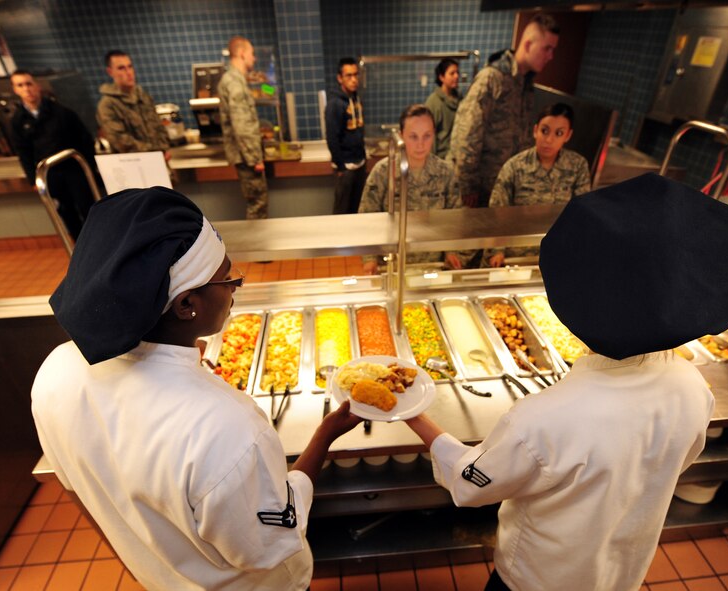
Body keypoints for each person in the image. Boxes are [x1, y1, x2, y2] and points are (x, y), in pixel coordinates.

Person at [404, 173, 728, 591]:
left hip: (536, 579)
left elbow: (469, 483)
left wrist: (413, 415)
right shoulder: (693, 388)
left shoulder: (542, 420)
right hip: (621, 571)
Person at [31, 186, 362, 590]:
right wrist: (324, 435)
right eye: (227, 278)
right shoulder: (230, 429)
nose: (235, 287)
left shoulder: (53, 372)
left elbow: (81, 491)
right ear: (187, 305)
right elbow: (272, 542)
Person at [449, 13, 560, 208]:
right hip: (481, 189)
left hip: (505, 188)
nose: (551, 57)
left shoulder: (525, 85)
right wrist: (468, 186)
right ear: (527, 45)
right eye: (547, 49)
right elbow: (466, 134)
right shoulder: (493, 78)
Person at [358, 104, 468, 274]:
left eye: (427, 136)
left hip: (434, 268)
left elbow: (454, 219)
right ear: (401, 136)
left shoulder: (445, 172)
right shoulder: (382, 173)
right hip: (392, 266)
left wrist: (451, 252)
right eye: (413, 137)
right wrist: (370, 260)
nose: (420, 145)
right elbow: (367, 220)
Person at [486, 102, 591, 267]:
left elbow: (582, 216)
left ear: (568, 136)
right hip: (515, 258)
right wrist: (498, 251)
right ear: (535, 130)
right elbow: (497, 214)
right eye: (545, 131)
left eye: (559, 133)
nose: (549, 140)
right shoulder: (515, 166)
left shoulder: (578, 167)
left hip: (558, 255)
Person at [9, 70, 100, 239]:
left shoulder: (62, 113)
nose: (26, 89)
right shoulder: (18, 121)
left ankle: (100, 244)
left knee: (89, 210)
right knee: (67, 214)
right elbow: (23, 151)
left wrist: (88, 167)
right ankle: (81, 250)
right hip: (49, 175)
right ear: (15, 90)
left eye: (29, 84)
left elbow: (84, 139)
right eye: (20, 85)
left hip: (74, 171)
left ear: (37, 86)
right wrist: (33, 179)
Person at [218, 36, 268, 219]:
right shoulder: (233, 81)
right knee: (257, 205)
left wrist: (268, 87)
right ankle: (258, 245)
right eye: (252, 54)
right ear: (241, 54)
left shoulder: (239, 80)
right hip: (247, 157)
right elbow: (241, 124)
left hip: (245, 155)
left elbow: (268, 89)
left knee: (257, 204)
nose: (254, 58)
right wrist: (255, 158)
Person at [97, 50, 170, 155]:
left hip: (159, 158)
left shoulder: (142, 95)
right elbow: (120, 140)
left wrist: (164, 148)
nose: (128, 72)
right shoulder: (108, 104)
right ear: (110, 72)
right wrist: (153, 153)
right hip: (135, 163)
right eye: (121, 68)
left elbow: (158, 125)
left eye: (130, 66)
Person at [325, 57, 367, 214]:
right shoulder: (335, 104)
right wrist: (340, 166)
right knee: (342, 210)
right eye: (349, 76)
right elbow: (332, 137)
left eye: (356, 75)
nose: (354, 80)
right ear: (339, 78)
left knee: (357, 208)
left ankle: (355, 239)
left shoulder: (356, 99)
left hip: (359, 163)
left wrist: (363, 157)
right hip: (346, 167)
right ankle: (340, 239)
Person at [424, 58, 462, 159]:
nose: (456, 76)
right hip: (442, 157)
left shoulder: (460, 100)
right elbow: (428, 135)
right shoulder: (434, 102)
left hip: (457, 155)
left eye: (457, 72)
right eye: (452, 73)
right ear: (441, 77)